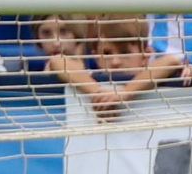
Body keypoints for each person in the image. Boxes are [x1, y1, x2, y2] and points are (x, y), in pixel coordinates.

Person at [46, 15, 184, 122]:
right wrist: (99, 94)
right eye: (106, 53)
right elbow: (57, 60)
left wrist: (124, 93)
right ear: (95, 56)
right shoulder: (89, 77)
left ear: (146, 55)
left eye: (125, 52)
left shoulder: (152, 75)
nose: (115, 62)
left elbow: (171, 60)